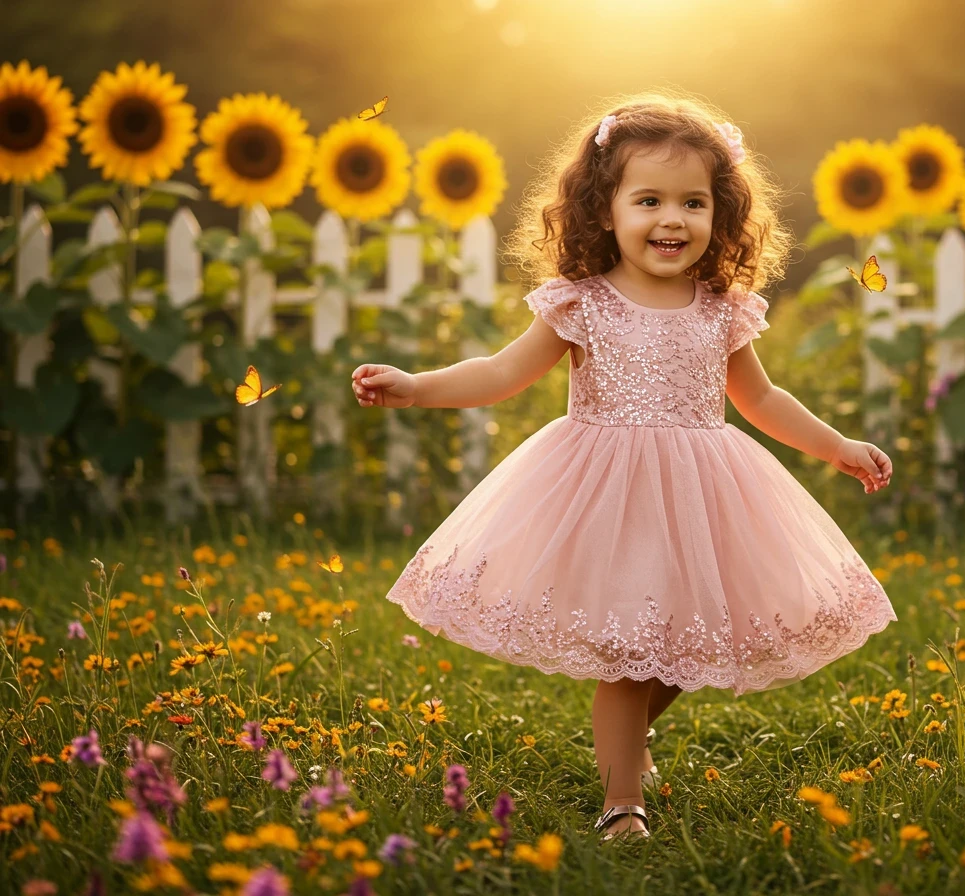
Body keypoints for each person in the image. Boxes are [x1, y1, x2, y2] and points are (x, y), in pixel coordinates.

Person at [351, 91, 898, 842]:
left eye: (693, 203)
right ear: (604, 210)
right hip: (605, 493)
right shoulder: (582, 303)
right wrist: (418, 388)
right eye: (648, 200)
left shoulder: (720, 309)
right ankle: (621, 805)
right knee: (631, 655)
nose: (672, 220)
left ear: (721, 214)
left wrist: (836, 445)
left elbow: (761, 398)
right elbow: (503, 372)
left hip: (703, 494)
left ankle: (631, 743)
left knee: (682, 644)